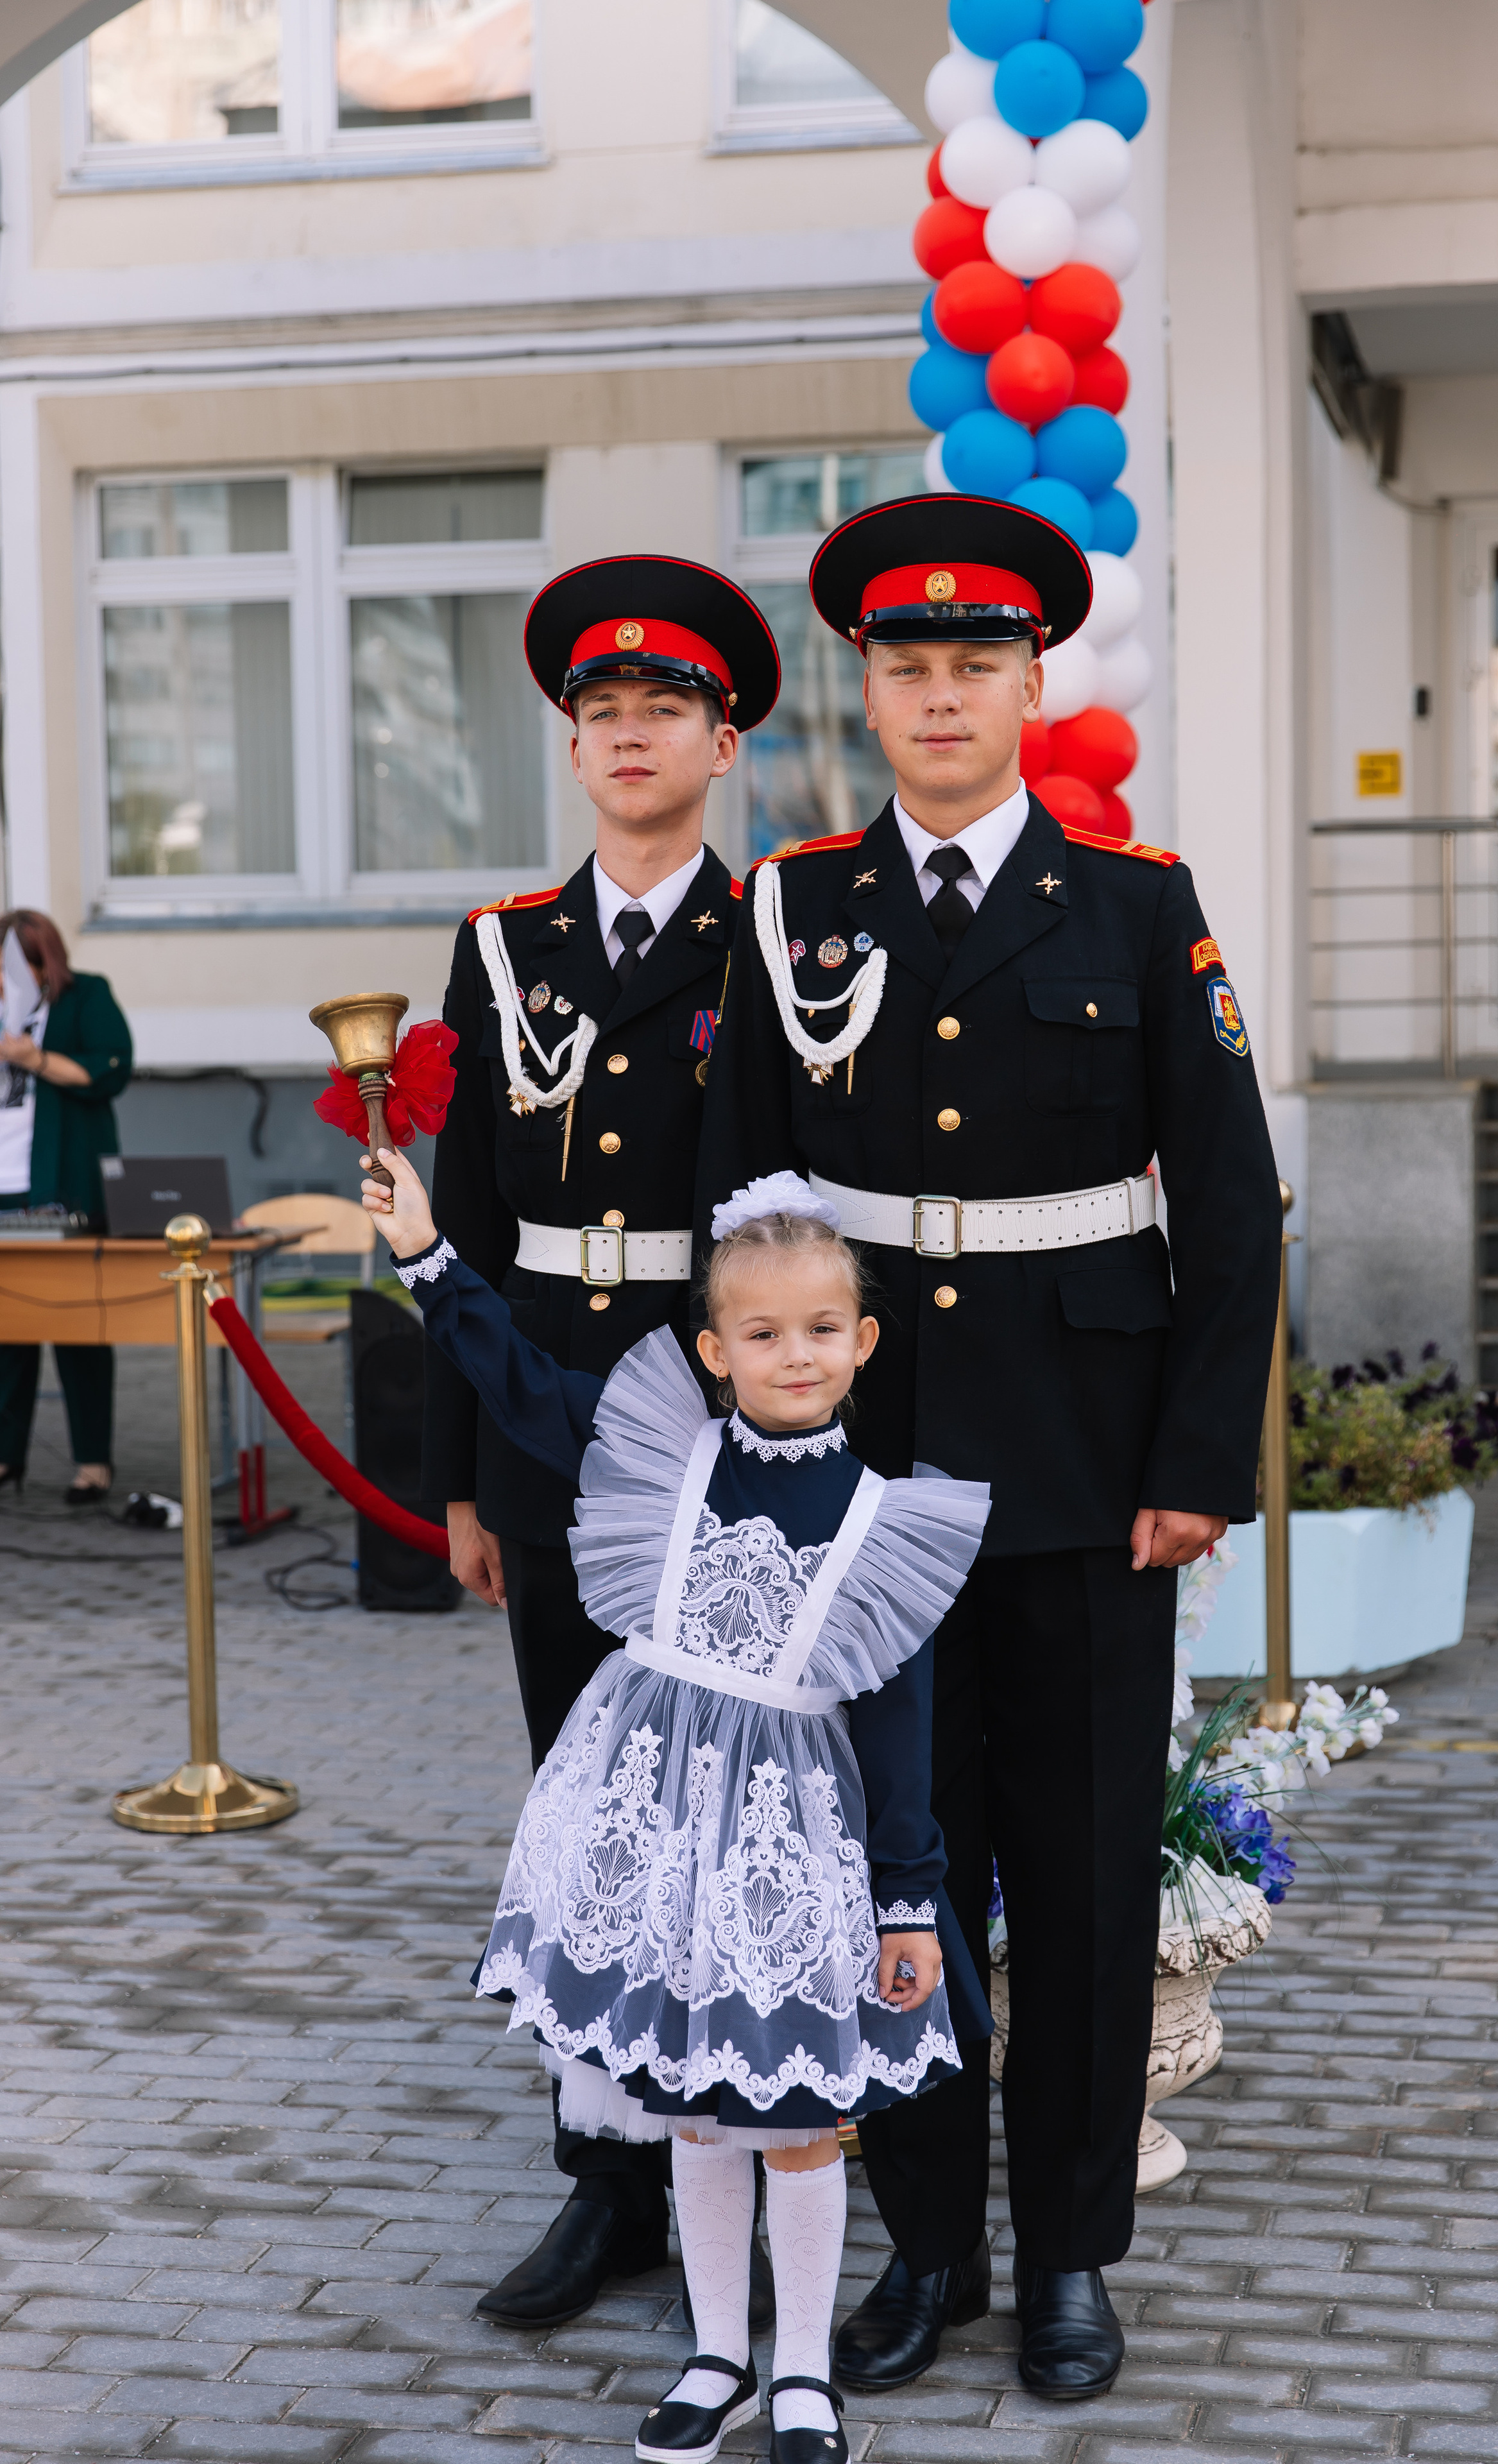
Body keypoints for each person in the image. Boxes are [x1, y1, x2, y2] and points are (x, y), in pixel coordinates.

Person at [695, 495, 1281, 2400]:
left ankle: (1069, 2260)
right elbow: (745, 1206)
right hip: (868, 1484)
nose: (940, 693)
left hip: (1092, 1479)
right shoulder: (797, 911)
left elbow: (1232, 1202)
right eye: (906, 665)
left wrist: (1194, 1456)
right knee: (896, 1876)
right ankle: (932, 2240)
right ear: (866, 690)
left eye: (976, 663)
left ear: (1037, 682)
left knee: (1092, 1872)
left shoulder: (1138, 905)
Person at [369, 1149, 992, 2464]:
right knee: (695, 2113)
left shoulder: (885, 1524)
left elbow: (898, 1727)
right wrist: (432, 1259)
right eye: (762, 1334)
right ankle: (716, 2352)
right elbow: (528, 1389)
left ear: (864, 1339)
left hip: (784, 1844)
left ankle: (806, 2374)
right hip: (651, 1831)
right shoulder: (668, 1455)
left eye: (822, 1330)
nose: (796, 1355)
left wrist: (907, 1899)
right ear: (713, 1349)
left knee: (797, 2122)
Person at [422, 558, 783, 2330]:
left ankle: (727, 2141)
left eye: (665, 712)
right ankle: (606, 2180)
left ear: (724, 741)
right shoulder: (505, 951)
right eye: (601, 715)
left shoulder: (779, 938)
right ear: (571, 747)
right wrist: (463, 1476)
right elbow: (463, 1227)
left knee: (713, 1796)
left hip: (716, 1422)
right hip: (547, 1434)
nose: (630, 738)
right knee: (580, 1801)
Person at [0, 909, 133, 1502]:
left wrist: (33, 1059)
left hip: (61, 1185)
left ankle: (92, 1462)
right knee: (8, 1328)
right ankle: (7, 1459)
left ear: (42, 962)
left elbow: (110, 1071)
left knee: (78, 1325)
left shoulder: (87, 998)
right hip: (5, 1181)